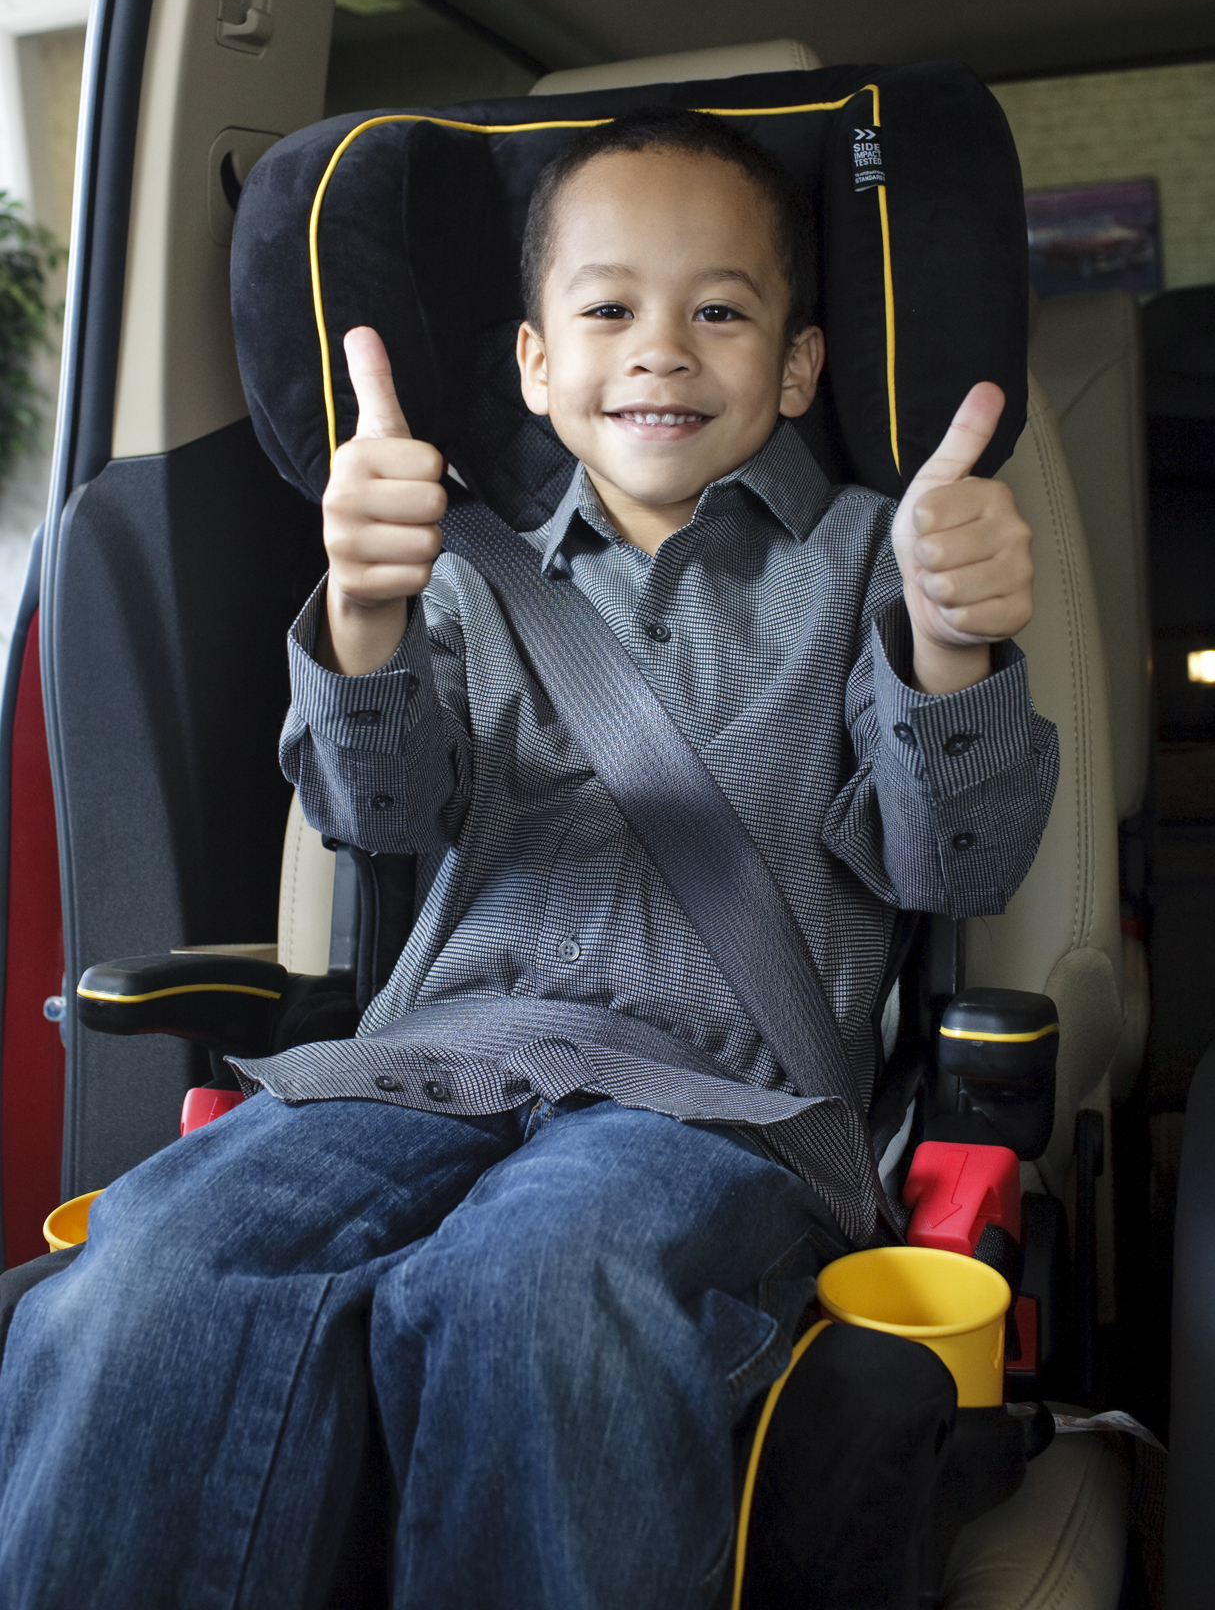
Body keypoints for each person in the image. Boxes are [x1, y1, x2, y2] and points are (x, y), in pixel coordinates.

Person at [0, 109, 1054, 1609]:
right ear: (534, 364)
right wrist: (362, 613)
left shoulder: (880, 556)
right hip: (426, 1068)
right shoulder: (462, 568)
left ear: (802, 365)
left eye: (721, 310)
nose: (662, 349)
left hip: (718, 1103)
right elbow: (375, 815)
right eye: (609, 308)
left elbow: (963, 862)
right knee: (153, 1262)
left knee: (533, 1286)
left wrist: (952, 648)